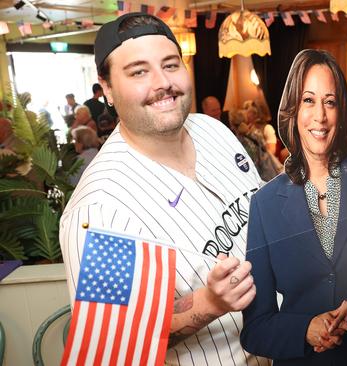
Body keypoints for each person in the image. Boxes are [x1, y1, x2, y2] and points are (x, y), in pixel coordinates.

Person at [59, 12, 269, 365]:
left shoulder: (212, 130)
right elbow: (114, 343)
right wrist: (208, 304)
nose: (162, 82)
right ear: (107, 88)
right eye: (139, 71)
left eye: (171, 65)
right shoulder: (99, 209)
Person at [241, 49, 347, 365]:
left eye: (330, 101)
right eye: (308, 101)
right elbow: (255, 327)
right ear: (292, 112)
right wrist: (305, 330)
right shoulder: (265, 204)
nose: (320, 116)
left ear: (341, 111)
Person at [230, 109, 283, 182]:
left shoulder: (236, 143)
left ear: (232, 126)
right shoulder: (257, 134)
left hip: (257, 180)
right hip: (270, 175)